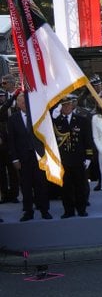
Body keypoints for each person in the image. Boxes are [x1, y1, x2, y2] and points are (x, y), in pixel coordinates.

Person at [7, 91, 51, 221]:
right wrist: (14, 158)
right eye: (21, 102)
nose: (24, 104)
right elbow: (11, 141)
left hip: (38, 157)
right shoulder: (13, 119)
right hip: (23, 158)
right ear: (18, 104)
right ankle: (28, 211)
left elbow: (46, 135)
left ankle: (44, 210)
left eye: (26, 101)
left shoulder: (38, 116)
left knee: (41, 184)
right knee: (25, 186)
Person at [53, 94, 93, 218]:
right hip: (64, 159)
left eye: (68, 104)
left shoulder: (82, 120)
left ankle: (81, 209)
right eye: (63, 105)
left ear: (72, 105)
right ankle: (68, 210)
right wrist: (54, 118)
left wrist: (89, 157)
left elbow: (87, 139)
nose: (66, 107)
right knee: (66, 187)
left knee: (80, 185)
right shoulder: (56, 121)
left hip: (78, 158)